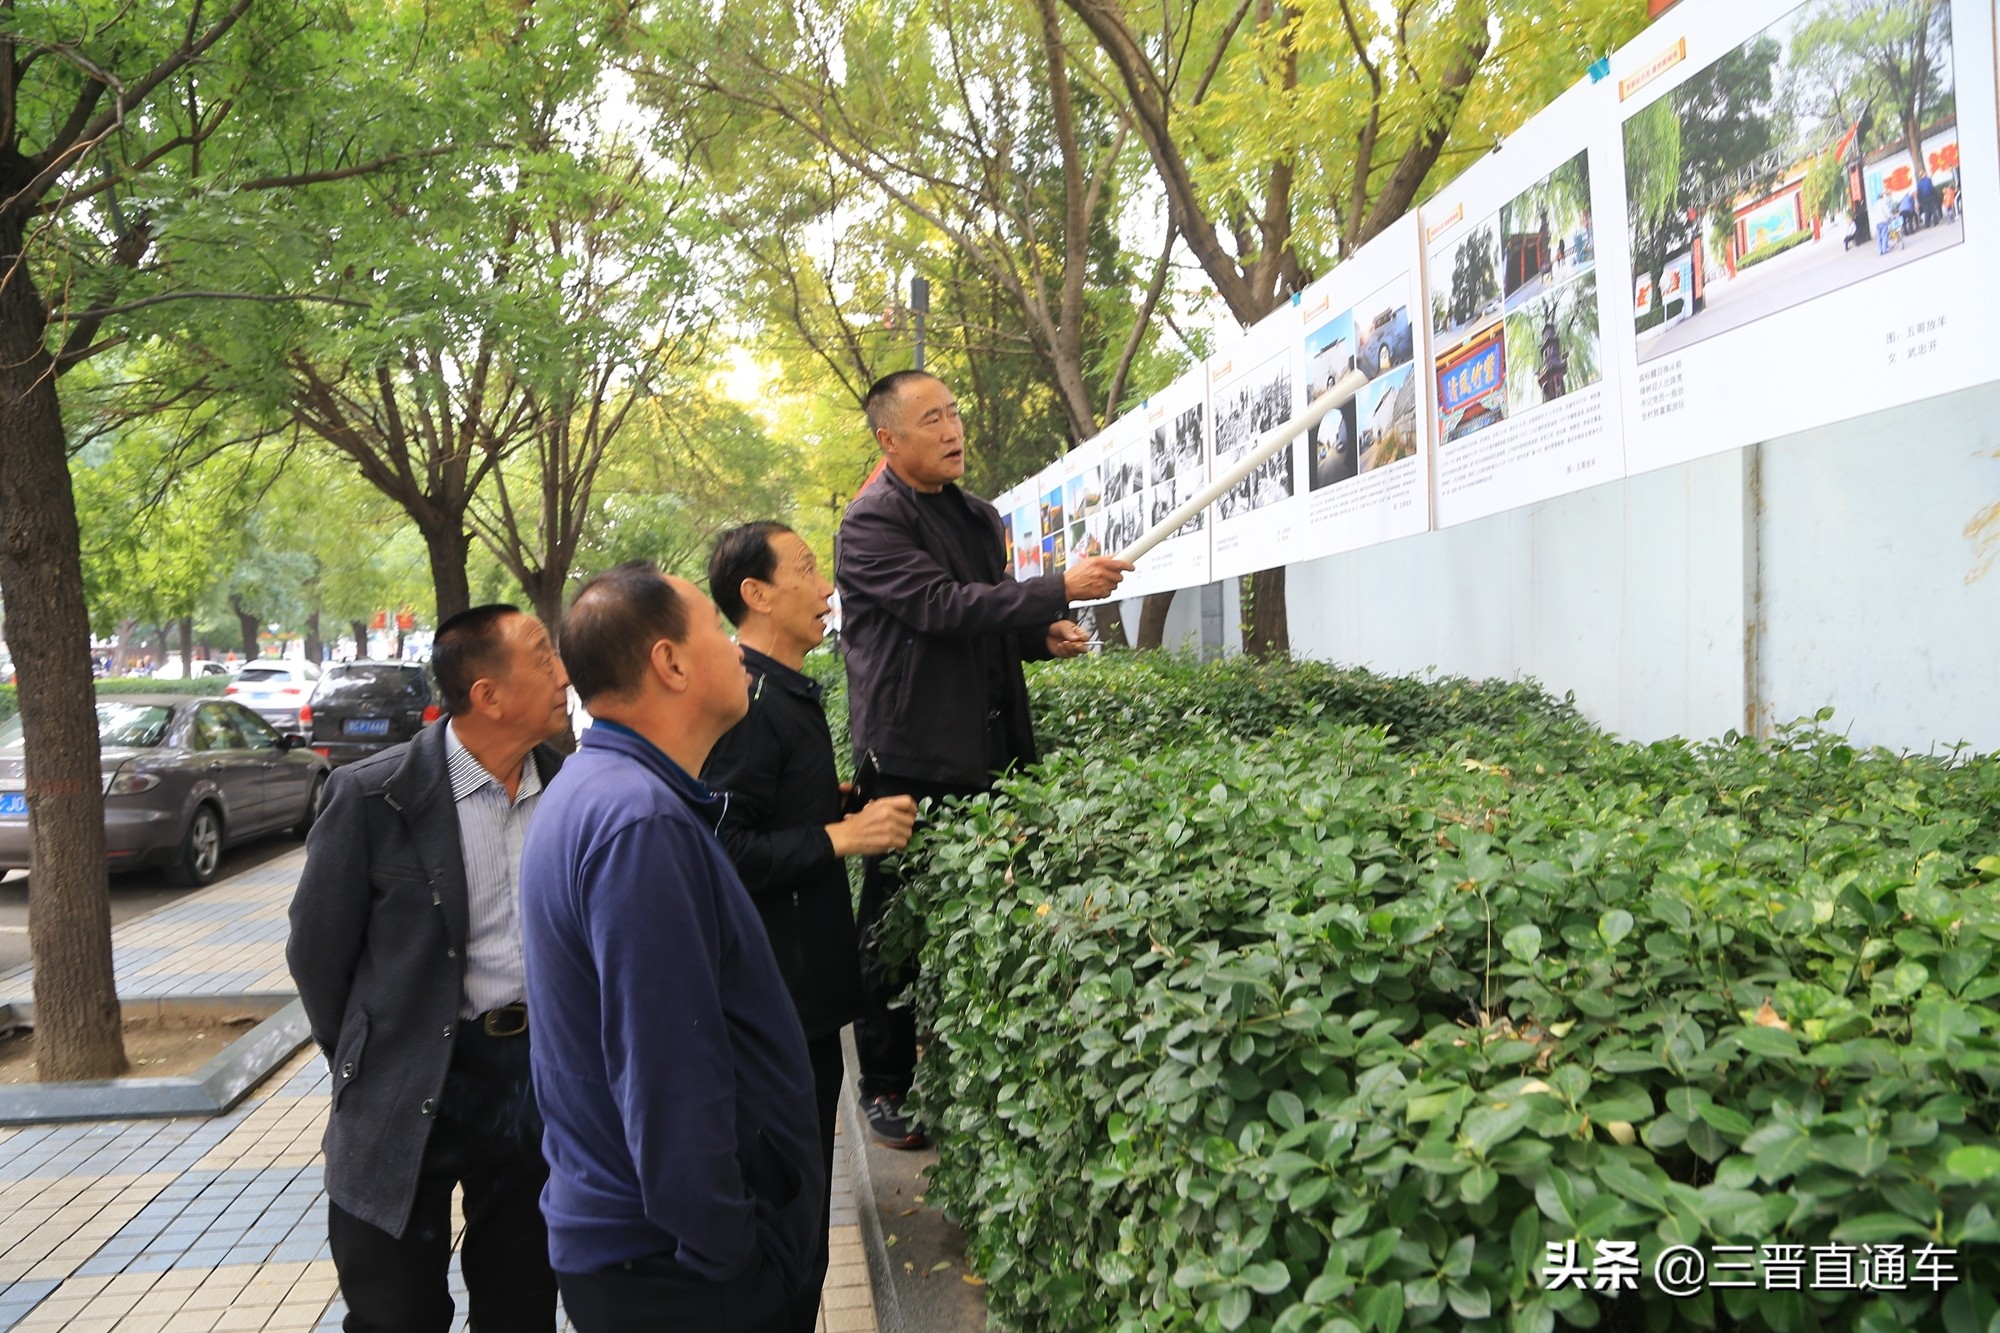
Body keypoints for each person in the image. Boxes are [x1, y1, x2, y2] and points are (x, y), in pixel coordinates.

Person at [519, 562, 823, 1332]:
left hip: (651, 1256)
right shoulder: (637, 822)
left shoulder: (599, 791)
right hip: (680, 1273)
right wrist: (735, 1257)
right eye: (718, 632)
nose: (738, 649)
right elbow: (669, 1075)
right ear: (671, 663)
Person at [836, 369, 1132, 1148]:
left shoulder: (976, 515)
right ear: (888, 439)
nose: (952, 429)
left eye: (954, 413)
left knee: (996, 906)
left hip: (992, 748)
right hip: (909, 755)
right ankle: (885, 1082)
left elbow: (986, 611)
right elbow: (938, 607)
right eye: (931, 419)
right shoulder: (870, 523)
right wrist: (1057, 587)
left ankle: (976, 1064)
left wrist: (1039, 633)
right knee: (894, 925)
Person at [288, 605, 573, 1333]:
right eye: (543, 657)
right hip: (408, 1077)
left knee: (523, 1301)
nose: (563, 674)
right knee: (396, 1310)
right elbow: (316, 951)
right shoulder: (374, 795)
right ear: (488, 694)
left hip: (533, 1078)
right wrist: (369, 1051)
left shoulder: (569, 788)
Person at [701, 522, 918, 1333]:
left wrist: (832, 805)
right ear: (756, 594)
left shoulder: (782, 689)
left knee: (802, 1220)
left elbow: (765, 812)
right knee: (786, 1225)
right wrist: (842, 836)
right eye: (805, 570)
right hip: (774, 1014)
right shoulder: (750, 702)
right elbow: (721, 846)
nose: (826, 587)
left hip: (802, 1006)